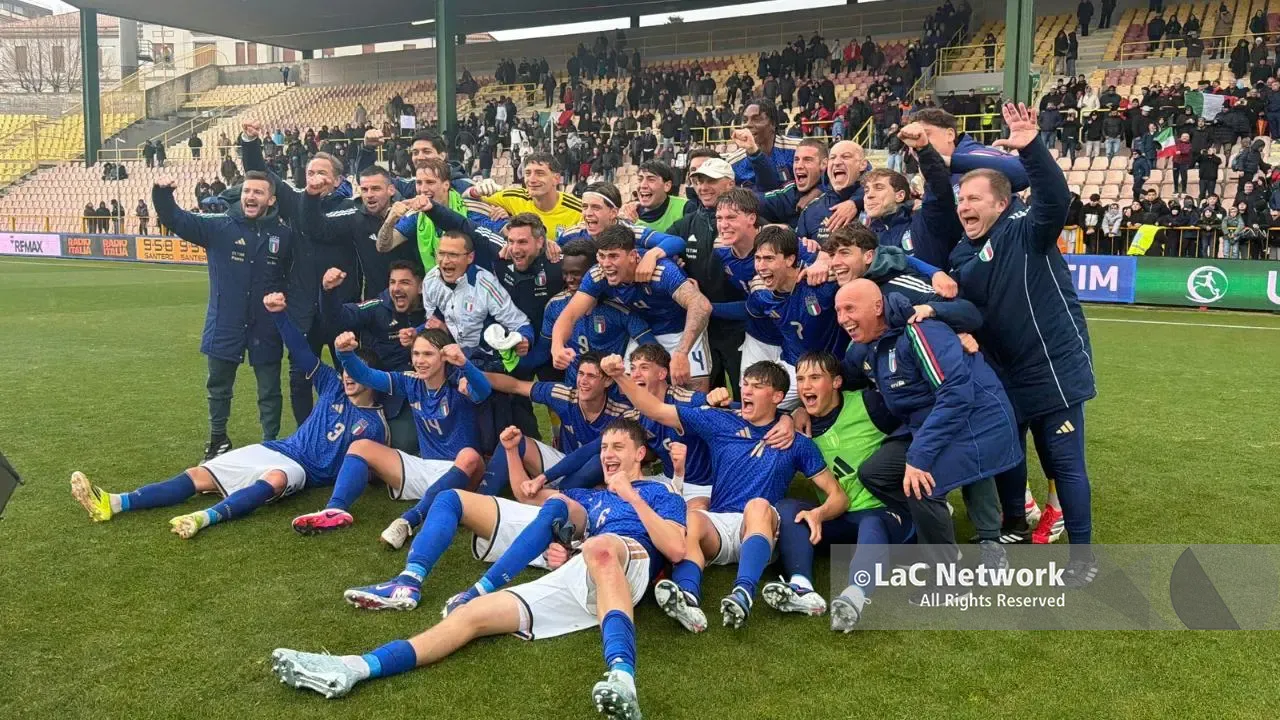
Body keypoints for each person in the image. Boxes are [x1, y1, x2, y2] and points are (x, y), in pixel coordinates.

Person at [271, 418, 686, 720]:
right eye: (603, 449)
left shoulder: (661, 493)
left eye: (617, 447)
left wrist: (631, 496)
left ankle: (622, 679)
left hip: (627, 559)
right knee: (470, 618)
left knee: (599, 547)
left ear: (640, 454)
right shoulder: (589, 495)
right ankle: (354, 667)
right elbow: (530, 505)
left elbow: (675, 547)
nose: (608, 455)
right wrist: (511, 454)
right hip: (585, 572)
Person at [70, 294, 387, 537]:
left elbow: (359, 471)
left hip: (302, 473)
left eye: (355, 373)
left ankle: (202, 518)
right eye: (345, 370)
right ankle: (113, 502)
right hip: (278, 449)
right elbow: (302, 352)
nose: (347, 377)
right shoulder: (331, 385)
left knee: (274, 479)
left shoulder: (374, 426)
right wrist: (278, 316)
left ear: (370, 376)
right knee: (197, 475)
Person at [949, 103, 1097, 581]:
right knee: (1005, 450)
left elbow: (1055, 195)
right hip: (1003, 371)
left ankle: (1082, 556)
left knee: (1063, 462)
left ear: (1001, 202)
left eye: (974, 198)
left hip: (1053, 368)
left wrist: (1031, 146)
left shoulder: (1027, 229)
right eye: (960, 199)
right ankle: (1015, 520)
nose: (964, 206)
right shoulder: (960, 253)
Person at [604, 355, 844, 630]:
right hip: (719, 526)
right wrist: (620, 376)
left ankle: (743, 593)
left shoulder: (797, 443)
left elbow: (838, 496)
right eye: (745, 385)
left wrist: (819, 512)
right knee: (693, 516)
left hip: (761, 529)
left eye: (757, 386)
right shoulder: (721, 421)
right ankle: (687, 597)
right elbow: (656, 409)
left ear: (778, 396)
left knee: (757, 505)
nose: (747, 391)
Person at [838, 280, 1020, 598]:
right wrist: (796, 406)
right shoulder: (867, 345)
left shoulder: (919, 330)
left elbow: (956, 395)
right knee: (874, 473)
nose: (842, 318)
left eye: (849, 308)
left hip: (975, 423)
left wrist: (919, 456)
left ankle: (951, 580)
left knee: (921, 485)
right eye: (839, 311)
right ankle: (939, 536)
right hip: (931, 426)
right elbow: (838, 375)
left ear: (877, 307)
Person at [760, 351, 911, 631]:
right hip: (837, 519)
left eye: (815, 378)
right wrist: (788, 416)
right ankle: (802, 588)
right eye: (802, 379)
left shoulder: (870, 405)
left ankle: (854, 596)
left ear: (837, 382)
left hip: (887, 515)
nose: (806, 387)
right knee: (788, 509)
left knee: (872, 522)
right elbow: (753, 415)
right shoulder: (797, 428)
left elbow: (916, 419)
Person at [290, 328, 491, 537]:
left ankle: (409, 520)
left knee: (469, 455)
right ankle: (335, 510)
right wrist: (345, 354)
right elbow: (366, 375)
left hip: (461, 475)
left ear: (444, 357)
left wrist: (464, 364)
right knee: (360, 446)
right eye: (416, 354)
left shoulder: (459, 385)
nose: (420, 360)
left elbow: (484, 390)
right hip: (425, 469)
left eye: (428, 354)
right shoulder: (411, 383)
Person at [152, 171, 290, 459]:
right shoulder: (220, 226)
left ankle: (271, 444)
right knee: (218, 387)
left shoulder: (283, 234)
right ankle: (218, 440)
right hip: (225, 322)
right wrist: (162, 194)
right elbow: (176, 219)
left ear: (271, 199)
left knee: (269, 389)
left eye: (258, 192)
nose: (251, 197)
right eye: (247, 191)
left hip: (266, 326)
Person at [551, 225, 713, 392]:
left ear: (633, 256)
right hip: (643, 332)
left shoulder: (661, 270)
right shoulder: (598, 275)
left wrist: (681, 353)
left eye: (613, 256)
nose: (606, 264)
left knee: (693, 398)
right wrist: (557, 346)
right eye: (602, 256)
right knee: (632, 398)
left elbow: (701, 305)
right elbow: (569, 314)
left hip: (682, 332)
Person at [317, 261, 425, 372]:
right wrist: (328, 291)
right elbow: (338, 318)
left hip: (421, 382)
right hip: (383, 383)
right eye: (392, 282)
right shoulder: (377, 307)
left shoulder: (431, 311)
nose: (396, 288)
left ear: (421, 287)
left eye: (404, 282)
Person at [465, 152, 583, 239]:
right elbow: (465, 200)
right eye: (528, 173)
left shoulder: (578, 209)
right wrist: (475, 190)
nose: (532, 180)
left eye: (539, 173)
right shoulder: (514, 197)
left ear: (556, 179)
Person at [723, 97, 802, 187]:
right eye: (745, 120)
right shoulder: (733, 163)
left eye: (756, 119)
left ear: (773, 123)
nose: (748, 124)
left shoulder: (797, 150)